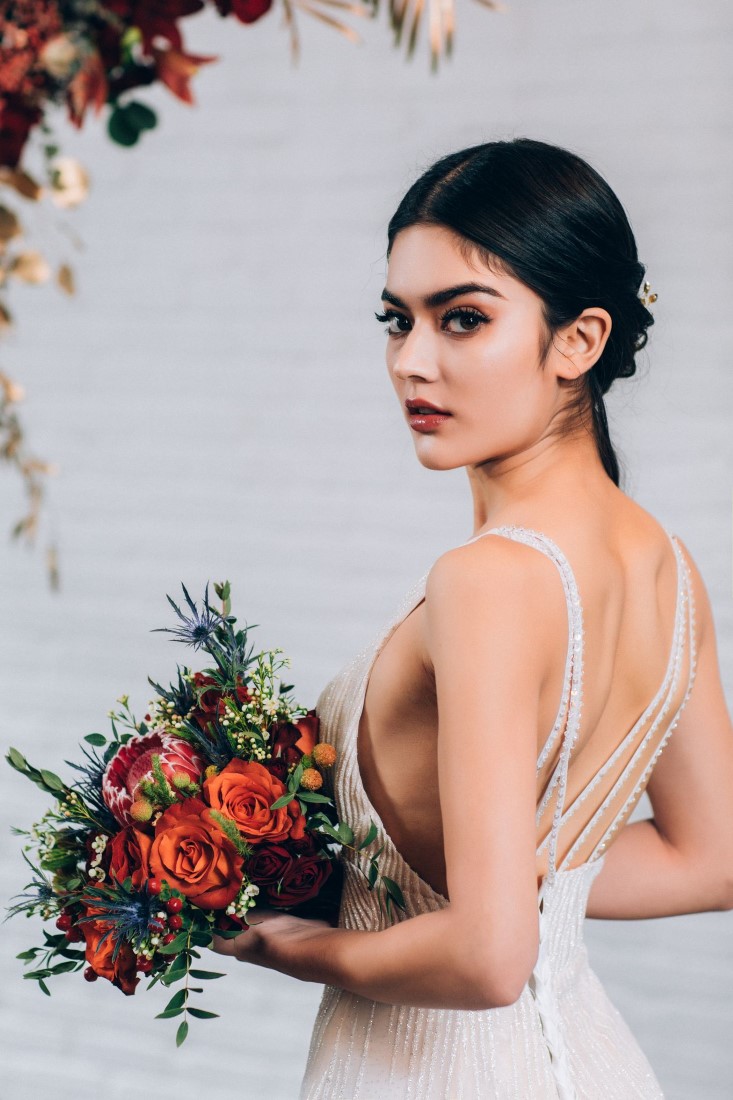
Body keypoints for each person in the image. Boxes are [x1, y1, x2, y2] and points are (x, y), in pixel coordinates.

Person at [212, 138, 733, 1098]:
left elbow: (489, 959)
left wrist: (294, 946)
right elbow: (709, 858)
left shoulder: (486, 582)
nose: (411, 362)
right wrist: (521, 884)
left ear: (578, 340)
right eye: (396, 320)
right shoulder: (667, 564)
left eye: (462, 319)